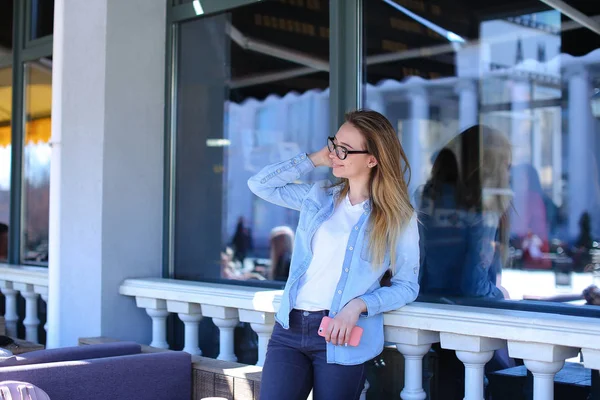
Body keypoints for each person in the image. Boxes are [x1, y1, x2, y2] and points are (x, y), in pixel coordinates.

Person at [248, 109, 419, 400]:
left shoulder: (398, 218)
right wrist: (315, 158)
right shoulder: (318, 197)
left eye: (344, 149)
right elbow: (260, 184)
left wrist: (358, 306)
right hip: (290, 327)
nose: (335, 154)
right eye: (333, 144)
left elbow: (407, 286)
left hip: (341, 335)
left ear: (372, 159)